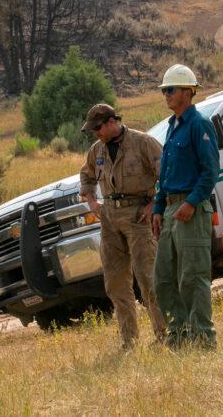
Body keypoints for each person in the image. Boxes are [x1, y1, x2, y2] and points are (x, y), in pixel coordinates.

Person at [79, 103, 167, 350]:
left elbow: (167, 174)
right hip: (109, 218)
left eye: (97, 128)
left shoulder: (143, 143)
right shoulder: (97, 150)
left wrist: (155, 204)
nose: (95, 133)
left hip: (139, 216)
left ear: (110, 122)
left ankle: (164, 334)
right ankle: (129, 341)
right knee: (115, 282)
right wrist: (91, 200)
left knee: (147, 277)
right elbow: (86, 175)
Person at [151, 64, 220, 349]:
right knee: (163, 279)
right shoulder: (171, 127)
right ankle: (179, 335)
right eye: (164, 90)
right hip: (169, 211)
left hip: (191, 209)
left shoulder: (199, 124)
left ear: (188, 92)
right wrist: (157, 207)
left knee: (192, 278)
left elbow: (211, 170)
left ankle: (202, 338)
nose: (166, 95)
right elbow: (165, 173)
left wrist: (192, 202)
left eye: (171, 90)